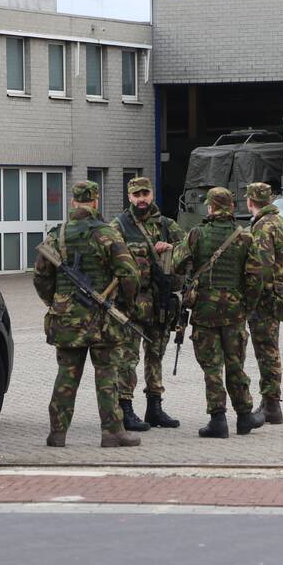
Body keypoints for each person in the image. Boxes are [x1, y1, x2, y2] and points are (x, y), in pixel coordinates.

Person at [32, 180, 141, 448]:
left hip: (67, 320)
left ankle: (57, 433)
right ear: (95, 201)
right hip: (102, 321)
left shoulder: (57, 235)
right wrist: (124, 305)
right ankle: (112, 432)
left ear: (73, 202)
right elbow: (129, 274)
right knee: (107, 375)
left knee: (66, 375)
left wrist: (57, 302)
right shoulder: (107, 233)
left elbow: (41, 277)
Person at [172, 187, 266, 438]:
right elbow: (256, 277)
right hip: (235, 312)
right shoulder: (244, 238)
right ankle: (245, 416)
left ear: (211, 208)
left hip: (204, 312)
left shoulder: (196, 234)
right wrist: (247, 305)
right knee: (235, 364)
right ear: (232, 208)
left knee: (212, 367)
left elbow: (176, 263)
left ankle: (218, 419)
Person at [110, 176, 184, 431]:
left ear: (152, 194)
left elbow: (188, 252)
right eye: (136, 194)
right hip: (131, 303)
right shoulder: (119, 226)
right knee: (127, 358)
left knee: (155, 356)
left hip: (160, 303)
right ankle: (126, 409)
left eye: (145, 193)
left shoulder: (166, 225)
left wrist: (172, 247)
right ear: (129, 197)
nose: (142, 199)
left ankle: (155, 407)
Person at [244, 182, 283, 425]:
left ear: (250, 201)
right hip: (280, 292)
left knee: (266, 351)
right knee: (270, 348)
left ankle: (271, 404)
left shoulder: (263, 227)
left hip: (266, 297)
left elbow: (261, 268)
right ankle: (271, 401)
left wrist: (249, 297)